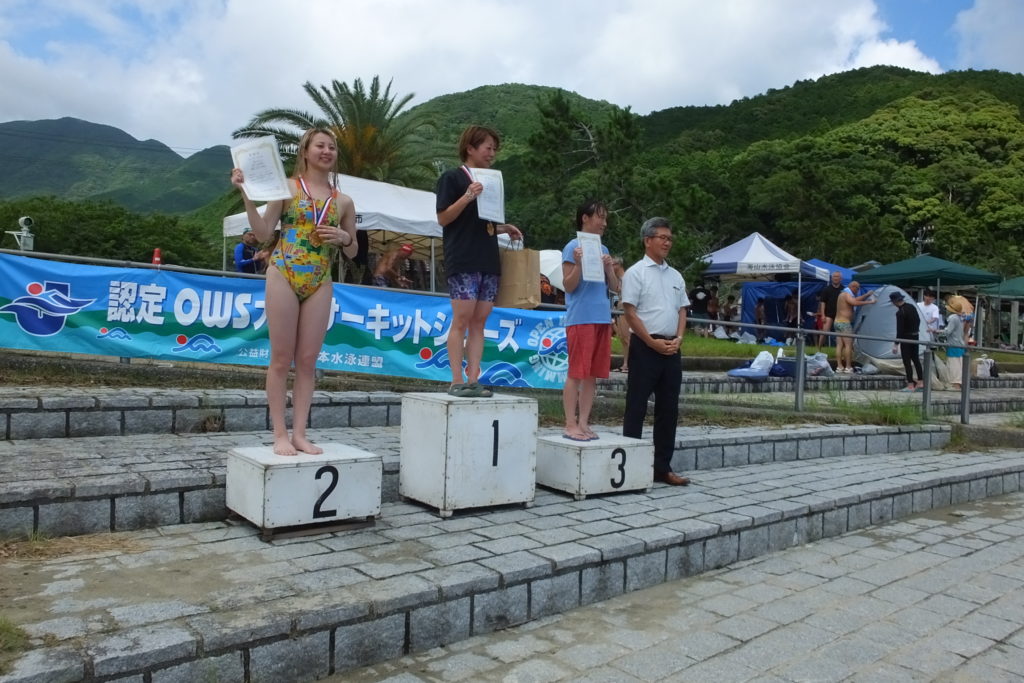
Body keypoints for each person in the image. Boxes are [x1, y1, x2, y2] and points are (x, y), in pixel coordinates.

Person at [231, 128, 358, 456]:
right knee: (280, 357)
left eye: (332, 147)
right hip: (284, 272)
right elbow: (263, 233)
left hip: (320, 279)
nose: (326, 151)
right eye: (320, 146)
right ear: (305, 151)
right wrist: (247, 195)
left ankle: (300, 433)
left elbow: (353, 251)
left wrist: (344, 238)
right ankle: (279, 434)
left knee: (307, 360)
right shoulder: (286, 188)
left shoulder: (343, 201)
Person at [436, 125, 523, 398]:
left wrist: (503, 228)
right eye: (488, 147)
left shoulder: (492, 181)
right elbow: (443, 218)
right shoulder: (452, 178)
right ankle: (456, 380)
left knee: (480, 321)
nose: (492, 153)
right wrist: (468, 196)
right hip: (463, 258)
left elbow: (481, 225)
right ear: (470, 148)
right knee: (461, 319)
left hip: (488, 258)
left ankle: (474, 379)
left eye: (494, 149)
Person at [621, 217, 691, 486]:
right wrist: (651, 341)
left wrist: (679, 338)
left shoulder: (676, 276)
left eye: (670, 238)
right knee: (636, 406)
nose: (667, 243)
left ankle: (662, 467)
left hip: (672, 347)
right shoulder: (636, 273)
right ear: (647, 240)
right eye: (662, 237)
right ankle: (630, 466)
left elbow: (682, 310)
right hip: (645, 346)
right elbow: (630, 312)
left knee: (669, 408)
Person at [561, 200, 620, 441]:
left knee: (592, 374)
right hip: (581, 317)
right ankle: (570, 423)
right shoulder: (572, 247)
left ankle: (584, 422)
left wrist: (609, 269)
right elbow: (568, 286)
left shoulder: (603, 249)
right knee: (576, 372)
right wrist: (578, 264)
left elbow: (615, 288)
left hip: (601, 317)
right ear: (585, 218)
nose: (604, 223)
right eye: (600, 217)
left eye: (605, 218)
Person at [834, 280, 876, 373]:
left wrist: (866, 295)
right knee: (848, 345)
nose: (858, 291)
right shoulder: (846, 294)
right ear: (853, 287)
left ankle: (839, 367)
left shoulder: (843, 294)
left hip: (837, 322)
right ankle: (848, 367)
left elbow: (855, 300)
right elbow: (854, 303)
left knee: (839, 345)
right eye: (858, 289)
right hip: (844, 323)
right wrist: (870, 302)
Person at [891, 292, 924, 392]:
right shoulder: (911, 307)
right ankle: (921, 382)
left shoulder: (900, 313)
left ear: (895, 302)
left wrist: (896, 344)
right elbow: (918, 320)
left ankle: (910, 385)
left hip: (905, 338)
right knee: (916, 359)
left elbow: (900, 330)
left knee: (907, 361)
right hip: (915, 336)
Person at [942, 296, 967, 390]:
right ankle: (957, 383)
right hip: (959, 344)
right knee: (959, 364)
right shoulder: (961, 318)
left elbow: (948, 331)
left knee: (953, 364)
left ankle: (955, 384)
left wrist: (938, 331)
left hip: (953, 344)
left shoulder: (953, 318)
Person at [610, 257, 630, 372]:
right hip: (620, 310)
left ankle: (631, 363)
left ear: (619, 265)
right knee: (622, 338)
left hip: (626, 310)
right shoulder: (618, 280)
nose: (611, 267)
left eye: (613, 264)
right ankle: (625, 364)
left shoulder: (627, 278)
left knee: (627, 338)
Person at [816, 271, 843, 348]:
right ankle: (819, 349)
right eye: (834, 276)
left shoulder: (844, 289)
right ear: (831, 278)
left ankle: (839, 349)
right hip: (828, 314)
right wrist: (823, 315)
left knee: (840, 333)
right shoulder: (826, 289)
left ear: (841, 278)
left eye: (837, 277)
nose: (835, 278)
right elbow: (823, 302)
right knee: (824, 332)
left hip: (840, 315)